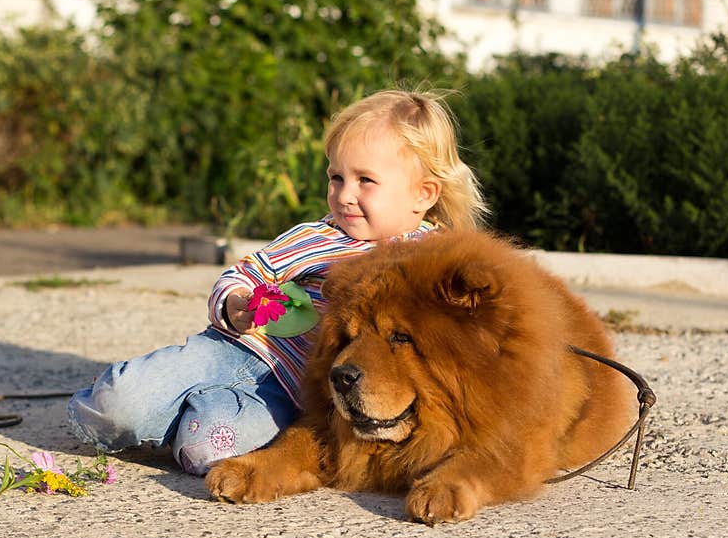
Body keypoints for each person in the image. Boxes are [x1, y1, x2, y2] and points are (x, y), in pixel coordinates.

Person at [67, 88, 490, 475]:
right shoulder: (317, 237)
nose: (344, 194)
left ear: (424, 194)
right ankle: (129, 403)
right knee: (115, 406)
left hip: (285, 396)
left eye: (365, 181)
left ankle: (181, 417)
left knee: (207, 451)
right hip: (230, 350)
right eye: (336, 176)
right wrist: (234, 303)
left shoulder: (432, 260)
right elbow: (245, 272)